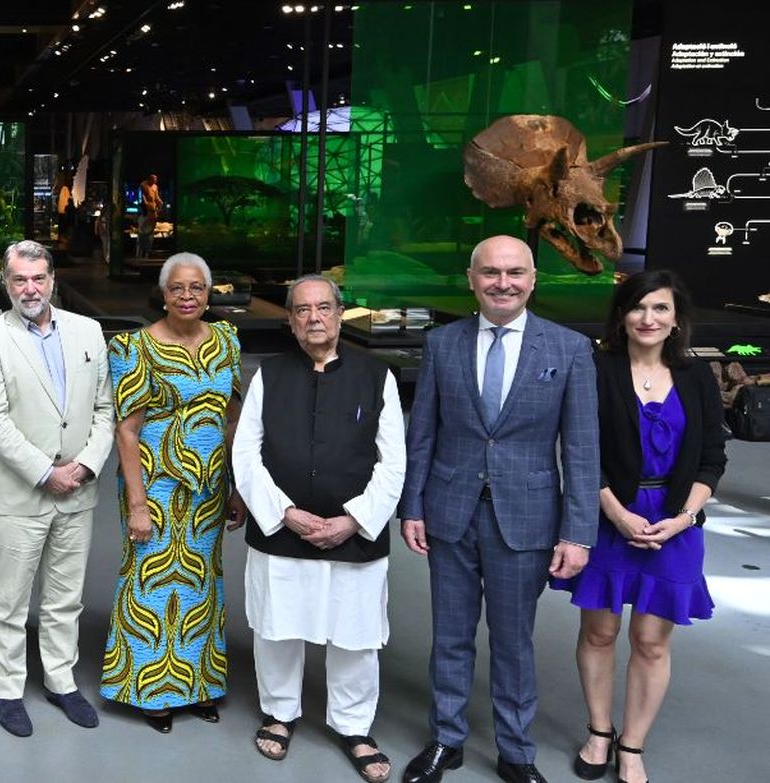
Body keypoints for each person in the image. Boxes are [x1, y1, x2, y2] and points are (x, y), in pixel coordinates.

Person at [399, 235, 597, 783]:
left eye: (514, 272)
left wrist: (578, 532)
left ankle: (515, 750)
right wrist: (411, 505)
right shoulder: (442, 344)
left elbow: (581, 450)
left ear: (533, 280)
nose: (502, 283)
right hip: (449, 510)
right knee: (451, 636)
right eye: (490, 272)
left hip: (527, 520)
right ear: (471, 279)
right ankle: (447, 740)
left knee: (513, 641)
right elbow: (424, 434)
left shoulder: (569, 349)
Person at [230, 274, 405, 783]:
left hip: (353, 530)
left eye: (323, 308)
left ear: (339, 312)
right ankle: (280, 712)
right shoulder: (270, 375)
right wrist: (283, 512)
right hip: (283, 525)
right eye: (302, 310)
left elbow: (392, 462)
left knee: (355, 633)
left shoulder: (377, 377)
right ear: (290, 320)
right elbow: (246, 452)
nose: (314, 319)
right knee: (278, 627)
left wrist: (355, 519)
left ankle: (354, 725)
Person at [551, 270, 724, 783]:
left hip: (676, 520)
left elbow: (713, 459)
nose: (648, 319)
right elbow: (580, 450)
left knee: (652, 640)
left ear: (676, 320)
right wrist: (618, 514)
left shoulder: (697, 376)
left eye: (661, 309)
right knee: (600, 632)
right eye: (637, 308)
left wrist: (683, 518)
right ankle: (599, 732)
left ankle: (633, 744)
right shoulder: (597, 368)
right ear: (621, 316)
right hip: (608, 515)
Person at [0, 239, 114, 737]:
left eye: (38, 278)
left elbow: (104, 409)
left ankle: (60, 679)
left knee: (64, 596)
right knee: (8, 601)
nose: (29, 288)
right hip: (22, 492)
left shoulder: (88, 331)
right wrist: (45, 471)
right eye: (18, 280)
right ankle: (8, 689)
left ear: (52, 280)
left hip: (78, 489)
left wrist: (86, 466)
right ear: (6, 284)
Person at [100, 252, 245, 733]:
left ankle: (200, 684)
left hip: (209, 487)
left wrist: (236, 486)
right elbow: (127, 431)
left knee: (203, 585)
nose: (187, 296)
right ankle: (151, 689)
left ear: (209, 293)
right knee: (152, 585)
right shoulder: (134, 347)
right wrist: (137, 505)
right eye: (177, 288)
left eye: (197, 288)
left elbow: (232, 418)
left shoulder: (226, 340)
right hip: (156, 488)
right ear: (163, 294)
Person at [136, 174, 162, 257]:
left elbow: (156, 197)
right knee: (142, 233)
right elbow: (142, 198)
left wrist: (160, 203)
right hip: (145, 212)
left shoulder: (155, 187)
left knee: (150, 235)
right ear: (149, 179)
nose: (155, 181)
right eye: (154, 179)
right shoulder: (143, 185)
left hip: (153, 213)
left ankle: (147, 254)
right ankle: (139, 255)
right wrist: (146, 205)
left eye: (156, 179)